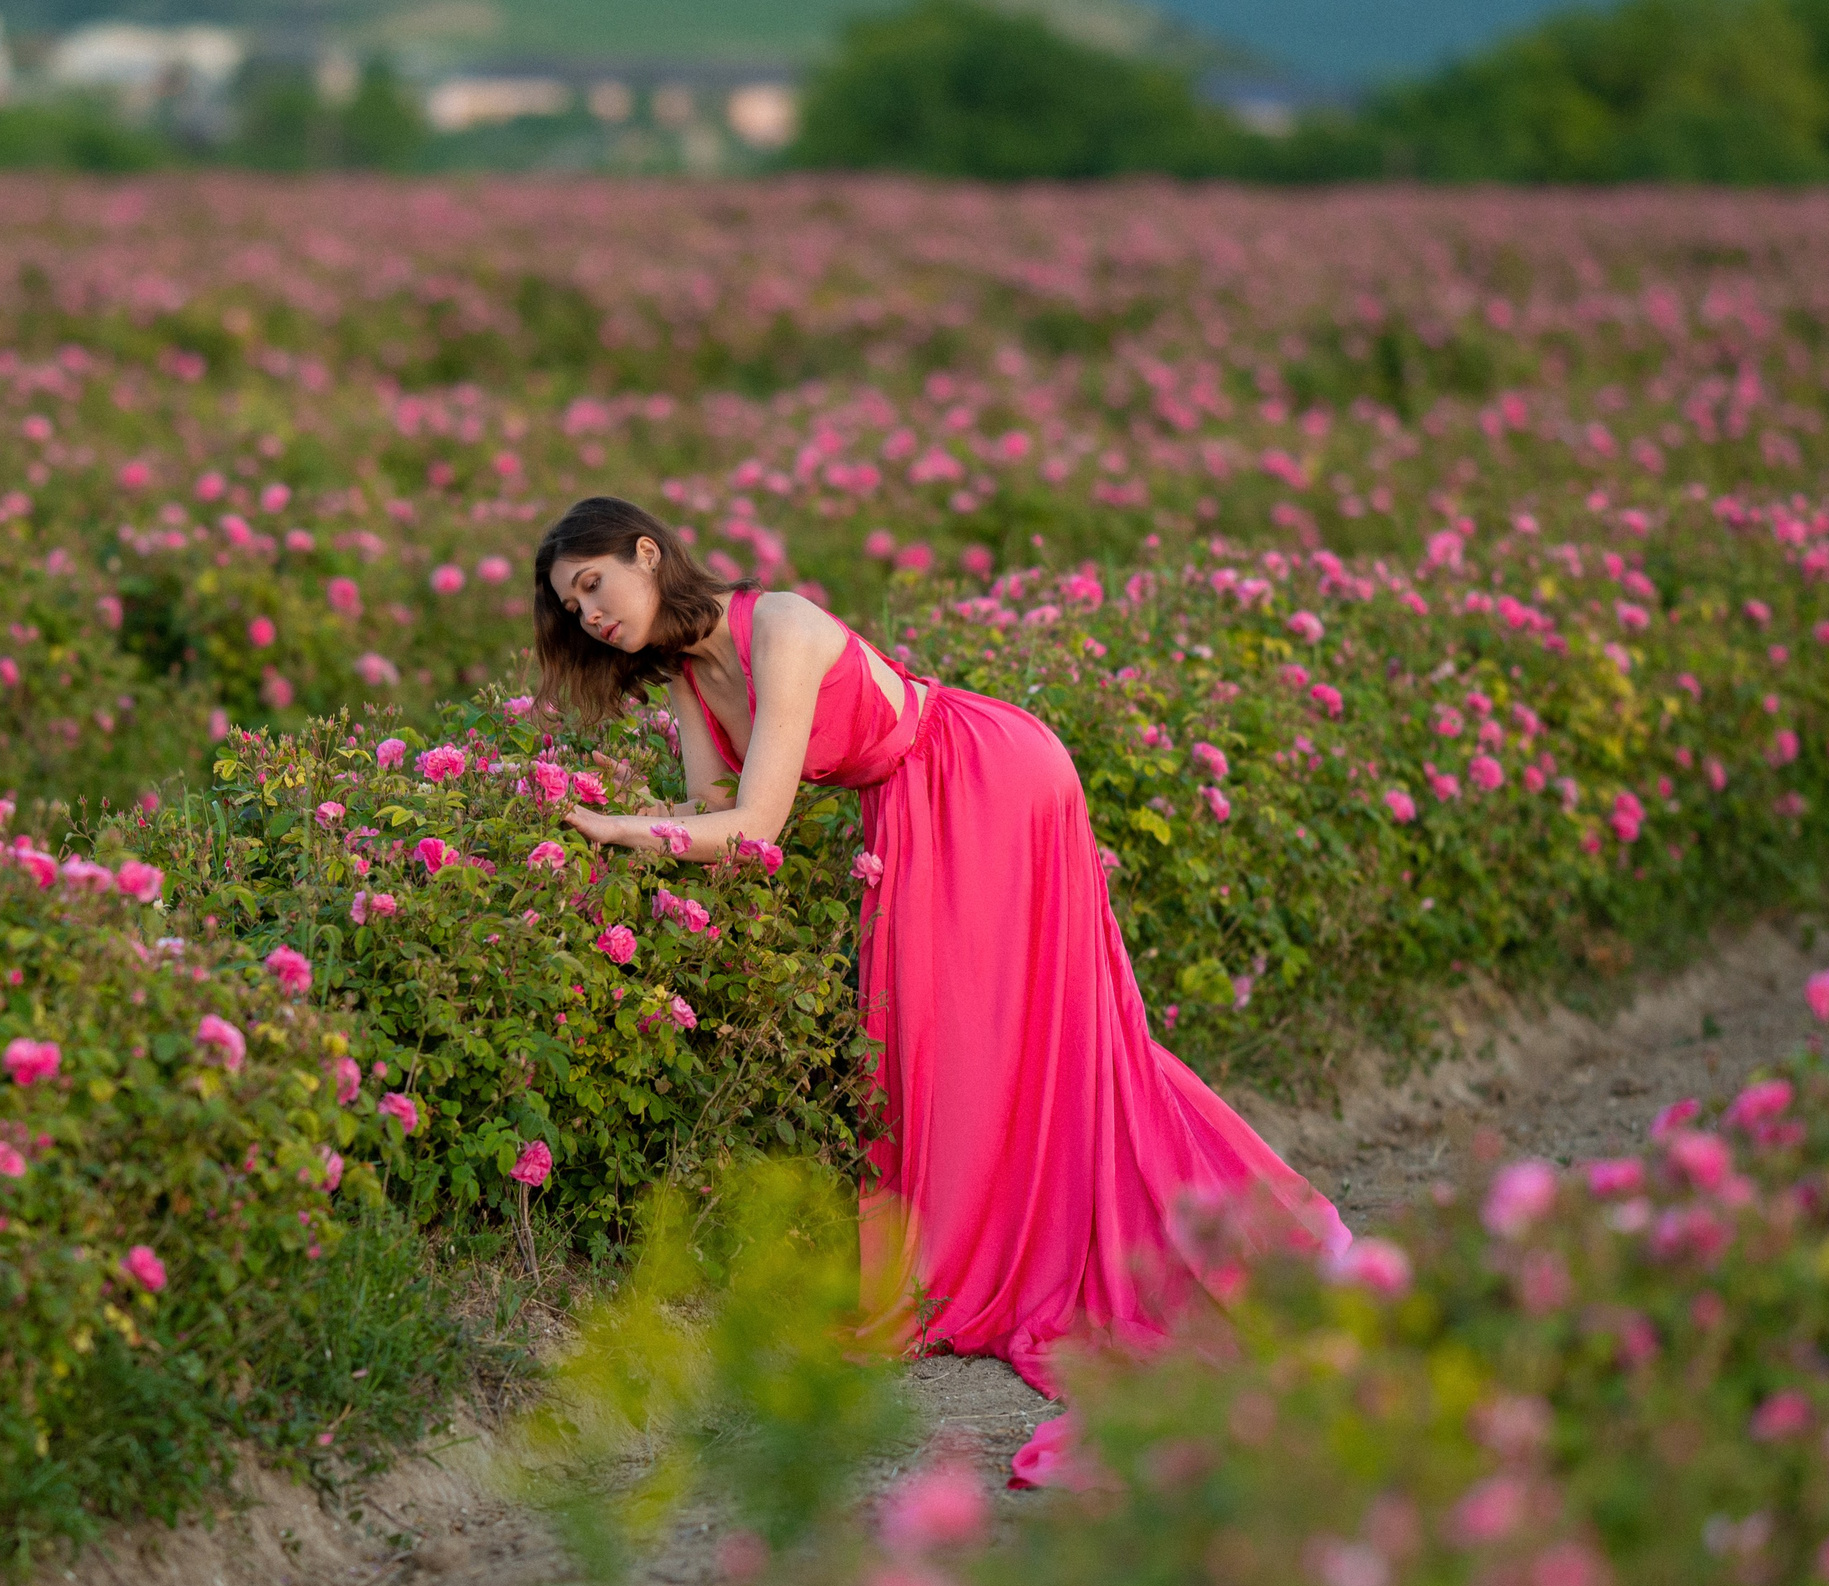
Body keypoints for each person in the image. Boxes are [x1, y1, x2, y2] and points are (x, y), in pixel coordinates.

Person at [534, 495, 1348, 1392]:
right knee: (932, 1047)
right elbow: (706, 817)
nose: (592, 615)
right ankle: (989, 1255)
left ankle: (1112, 1252)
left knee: (1000, 1036)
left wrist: (619, 831)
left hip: (985, 773)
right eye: (574, 609)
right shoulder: (688, 677)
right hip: (911, 804)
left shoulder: (782, 627)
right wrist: (609, 824)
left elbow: (758, 825)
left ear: (647, 555)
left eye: (593, 584)